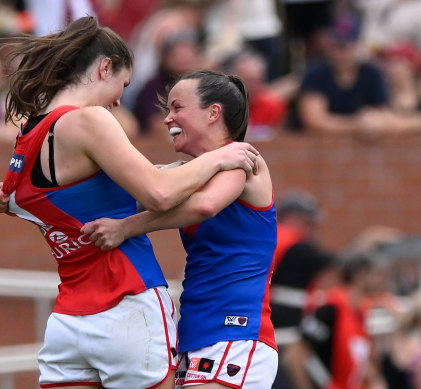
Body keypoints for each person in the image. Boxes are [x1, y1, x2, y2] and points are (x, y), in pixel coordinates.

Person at [0, 17, 259, 389]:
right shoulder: (90, 120)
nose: (119, 99)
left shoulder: (29, 131)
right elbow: (159, 193)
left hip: (68, 320)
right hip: (127, 304)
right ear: (104, 67)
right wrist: (217, 158)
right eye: (123, 83)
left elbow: (13, 198)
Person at [80, 70, 278, 389]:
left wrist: (125, 228)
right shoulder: (193, 171)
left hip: (236, 332)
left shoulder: (243, 158)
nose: (167, 118)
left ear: (213, 112)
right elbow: (130, 187)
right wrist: (22, 195)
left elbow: (205, 205)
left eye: (177, 107)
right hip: (196, 336)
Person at [285, 247, 387, 389]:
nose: (383, 280)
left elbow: (358, 358)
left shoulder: (361, 310)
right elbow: (294, 356)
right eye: (378, 274)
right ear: (360, 275)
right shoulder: (331, 308)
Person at [270, 190, 336, 389]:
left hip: (269, 331)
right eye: (309, 222)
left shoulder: (266, 240)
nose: (311, 230)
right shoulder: (296, 246)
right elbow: (341, 266)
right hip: (285, 336)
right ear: (293, 218)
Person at [296, 11, 393, 137]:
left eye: (345, 47)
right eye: (334, 46)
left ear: (357, 45)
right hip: (320, 149)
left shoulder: (373, 74)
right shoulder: (315, 73)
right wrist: (357, 124)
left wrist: (374, 122)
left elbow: (384, 117)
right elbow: (314, 121)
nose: (339, 53)